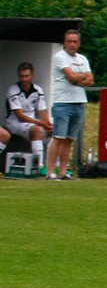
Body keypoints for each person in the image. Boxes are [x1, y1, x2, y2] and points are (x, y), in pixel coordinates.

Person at [47, 29, 93, 181]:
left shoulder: (83, 59)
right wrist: (81, 77)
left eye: (75, 42)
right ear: (65, 43)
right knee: (58, 137)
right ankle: (50, 172)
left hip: (79, 102)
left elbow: (91, 80)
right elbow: (71, 77)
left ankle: (63, 172)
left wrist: (77, 78)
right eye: (69, 41)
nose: (72, 45)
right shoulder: (60, 56)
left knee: (69, 139)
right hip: (63, 103)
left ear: (79, 43)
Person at [6, 62, 52, 171]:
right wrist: (41, 124)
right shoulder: (13, 90)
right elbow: (20, 116)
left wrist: (48, 125)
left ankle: (56, 167)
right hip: (15, 123)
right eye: (21, 76)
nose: (24, 79)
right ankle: (39, 166)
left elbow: (42, 112)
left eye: (26, 76)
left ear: (32, 75)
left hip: (32, 122)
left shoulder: (38, 90)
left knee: (56, 132)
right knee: (37, 130)